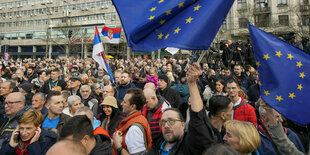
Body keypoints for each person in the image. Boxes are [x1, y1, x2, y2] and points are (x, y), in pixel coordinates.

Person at [148, 63, 216, 155]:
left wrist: (192, 84)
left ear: (183, 125)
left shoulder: (189, 147)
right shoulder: (155, 146)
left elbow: (199, 122)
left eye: (171, 121)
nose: (166, 126)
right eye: (163, 122)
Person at [112, 88, 152, 155]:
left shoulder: (134, 129)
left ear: (133, 106)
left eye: (124, 102)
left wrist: (118, 145)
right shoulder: (138, 118)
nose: (121, 104)